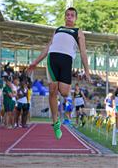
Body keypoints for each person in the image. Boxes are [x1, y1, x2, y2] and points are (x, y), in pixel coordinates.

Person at [27, 7, 91, 139]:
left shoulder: (78, 32)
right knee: (52, 90)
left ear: (76, 18)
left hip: (67, 61)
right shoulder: (57, 30)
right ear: (64, 17)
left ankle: (58, 117)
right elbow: (47, 47)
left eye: (72, 15)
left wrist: (87, 71)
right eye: (67, 15)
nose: (69, 17)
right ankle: (56, 122)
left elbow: (83, 52)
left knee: (65, 92)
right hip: (53, 59)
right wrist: (35, 62)